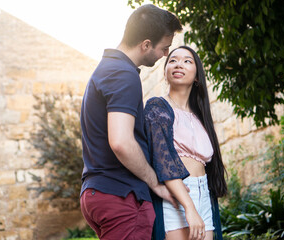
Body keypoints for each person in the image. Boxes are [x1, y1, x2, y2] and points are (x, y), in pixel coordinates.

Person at [79, 4, 182, 240]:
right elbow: (121, 142)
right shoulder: (124, 74)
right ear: (146, 44)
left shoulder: (106, 69)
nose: (166, 55)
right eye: (164, 48)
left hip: (98, 192)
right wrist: (154, 182)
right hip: (122, 196)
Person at [144, 46, 227, 240]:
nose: (178, 64)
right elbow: (163, 162)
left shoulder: (201, 116)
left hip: (203, 192)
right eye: (172, 60)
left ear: (197, 76)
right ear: (165, 73)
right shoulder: (157, 107)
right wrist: (189, 207)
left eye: (187, 61)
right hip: (176, 195)